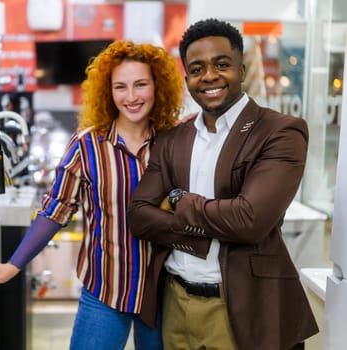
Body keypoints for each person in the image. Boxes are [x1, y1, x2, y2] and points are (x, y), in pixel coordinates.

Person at [0, 40, 184, 349]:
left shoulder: (176, 141)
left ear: (157, 86)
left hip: (164, 293)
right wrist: (13, 265)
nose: (131, 97)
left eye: (141, 85)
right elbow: (56, 210)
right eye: (120, 87)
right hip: (106, 291)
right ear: (108, 91)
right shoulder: (87, 145)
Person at [127, 18, 319, 350]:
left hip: (240, 306)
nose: (210, 76)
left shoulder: (279, 132)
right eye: (197, 68)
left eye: (222, 64)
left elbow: (250, 220)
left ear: (241, 70)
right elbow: (139, 214)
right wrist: (206, 234)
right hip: (175, 303)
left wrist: (179, 200)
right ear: (187, 78)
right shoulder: (174, 139)